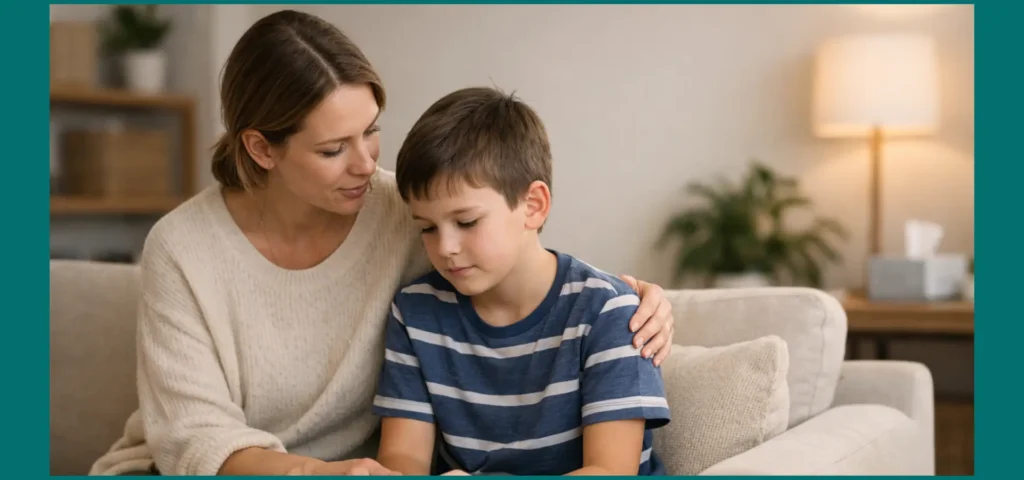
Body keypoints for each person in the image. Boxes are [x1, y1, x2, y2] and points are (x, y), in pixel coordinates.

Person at [89, 9, 677, 477]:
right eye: (332, 149)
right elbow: (193, 438)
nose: (366, 165)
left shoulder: (406, 211)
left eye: (371, 132)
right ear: (262, 149)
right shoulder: (182, 248)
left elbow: (512, 243)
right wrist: (312, 473)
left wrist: (636, 296)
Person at [371, 87, 671, 476]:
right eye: (427, 227)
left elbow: (610, 472)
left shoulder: (609, 313)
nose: (445, 247)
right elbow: (402, 461)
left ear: (533, 206)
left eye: (466, 222)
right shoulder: (415, 311)